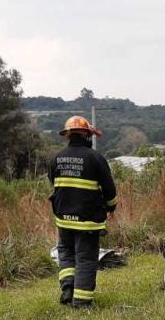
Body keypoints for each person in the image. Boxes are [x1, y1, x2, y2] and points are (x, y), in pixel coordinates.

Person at [48, 116, 118, 308]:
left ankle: (68, 289)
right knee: (86, 259)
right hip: (87, 220)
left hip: (63, 219)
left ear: (68, 135)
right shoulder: (96, 158)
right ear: (87, 135)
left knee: (66, 253)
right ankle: (81, 302)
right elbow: (110, 190)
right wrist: (111, 207)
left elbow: (54, 185)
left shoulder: (56, 158)